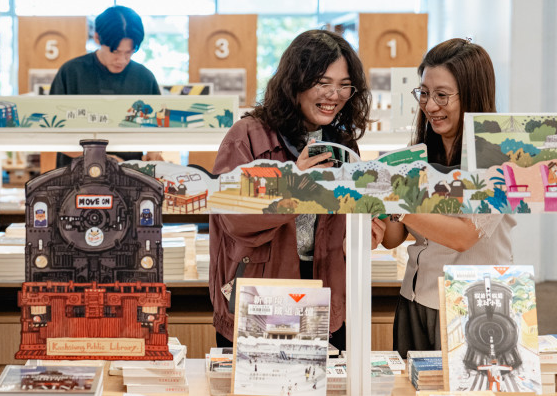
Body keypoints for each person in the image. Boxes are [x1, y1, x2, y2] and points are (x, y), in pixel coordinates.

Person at [209, 29, 385, 351]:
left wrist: (362, 233)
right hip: (260, 296)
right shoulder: (247, 136)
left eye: (344, 85)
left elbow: (341, 222)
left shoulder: (342, 143)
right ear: (295, 82)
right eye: (323, 82)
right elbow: (233, 217)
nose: (334, 95)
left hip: (324, 294)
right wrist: (293, 184)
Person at [380, 38, 516, 358]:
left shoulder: (497, 157)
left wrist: (401, 205)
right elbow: (392, 239)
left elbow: (463, 236)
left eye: (442, 95)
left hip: (472, 307)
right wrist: (379, 209)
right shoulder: (420, 153)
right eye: (424, 93)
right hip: (415, 297)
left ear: (471, 94)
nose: (430, 106)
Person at [50, 5, 161, 167]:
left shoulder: (144, 78)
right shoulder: (71, 72)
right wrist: (106, 160)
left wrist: (154, 152)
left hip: (128, 177)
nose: (122, 60)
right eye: (115, 52)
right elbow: (54, 135)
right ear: (97, 38)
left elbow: (156, 131)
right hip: (76, 175)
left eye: (129, 52)